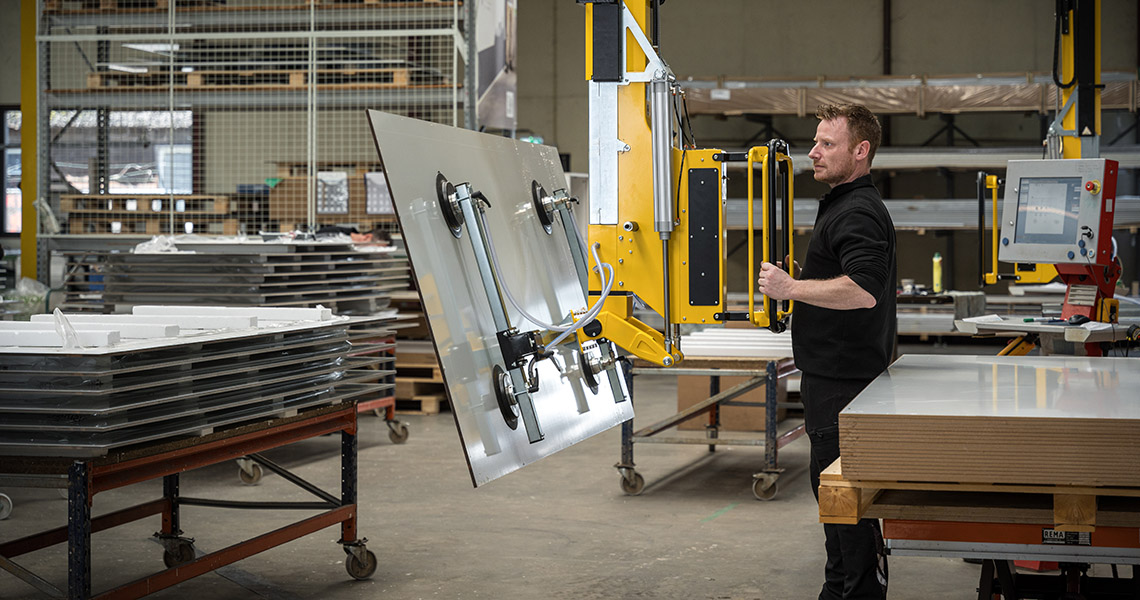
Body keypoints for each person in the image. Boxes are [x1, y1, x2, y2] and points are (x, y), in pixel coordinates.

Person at [756, 103, 896, 600]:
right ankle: (839, 588)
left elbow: (864, 288)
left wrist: (792, 288)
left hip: (842, 384)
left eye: (827, 144)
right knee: (835, 499)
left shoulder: (856, 210)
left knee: (844, 501)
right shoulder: (842, 202)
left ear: (861, 152)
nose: (813, 152)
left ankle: (853, 593)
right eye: (815, 142)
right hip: (836, 378)